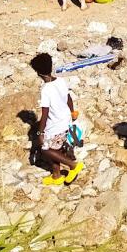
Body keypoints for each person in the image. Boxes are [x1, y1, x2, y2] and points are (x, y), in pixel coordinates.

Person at [31, 53, 82, 186]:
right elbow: (68, 98)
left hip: (55, 125)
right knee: (56, 149)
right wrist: (72, 112)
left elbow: (45, 113)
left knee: (46, 148)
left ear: (38, 73)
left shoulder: (45, 90)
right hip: (66, 120)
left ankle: (73, 165)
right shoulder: (60, 81)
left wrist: (40, 133)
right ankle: (56, 175)